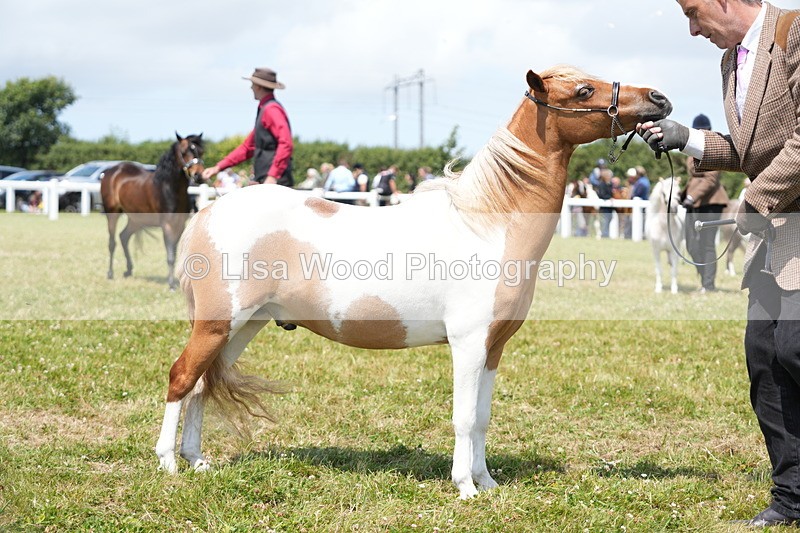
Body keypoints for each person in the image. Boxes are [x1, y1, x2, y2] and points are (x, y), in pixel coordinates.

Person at [638, 1, 800, 526]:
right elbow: (752, 147)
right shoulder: (733, 61)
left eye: (693, 11)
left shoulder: (794, 32)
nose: (691, 29)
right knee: (765, 361)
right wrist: (688, 139)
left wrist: (752, 200)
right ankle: (792, 496)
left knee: (793, 348)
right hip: (775, 240)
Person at [202, 68, 293, 187]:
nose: (251, 88)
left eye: (253, 84)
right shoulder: (265, 109)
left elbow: (286, 143)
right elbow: (247, 147)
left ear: (259, 86)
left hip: (274, 182)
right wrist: (218, 167)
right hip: (266, 180)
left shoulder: (271, 110)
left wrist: (272, 176)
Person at [680, 114, 730, 293]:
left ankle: (708, 285)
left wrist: (691, 197)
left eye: (704, 130)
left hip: (711, 202)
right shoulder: (693, 149)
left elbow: (710, 179)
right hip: (694, 203)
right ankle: (704, 278)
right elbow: (693, 178)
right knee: (691, 245)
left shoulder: (713, 149)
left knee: (707, 244)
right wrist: (683, 195)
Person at [595, 168, 613, 238]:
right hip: (604, 207)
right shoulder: (602, 184)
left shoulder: (609, 184)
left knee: (608, 220)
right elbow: (602, 195)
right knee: (605, 221)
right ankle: (604, 235)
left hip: (609, 207)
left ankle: (606, 234)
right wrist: (609, 197)